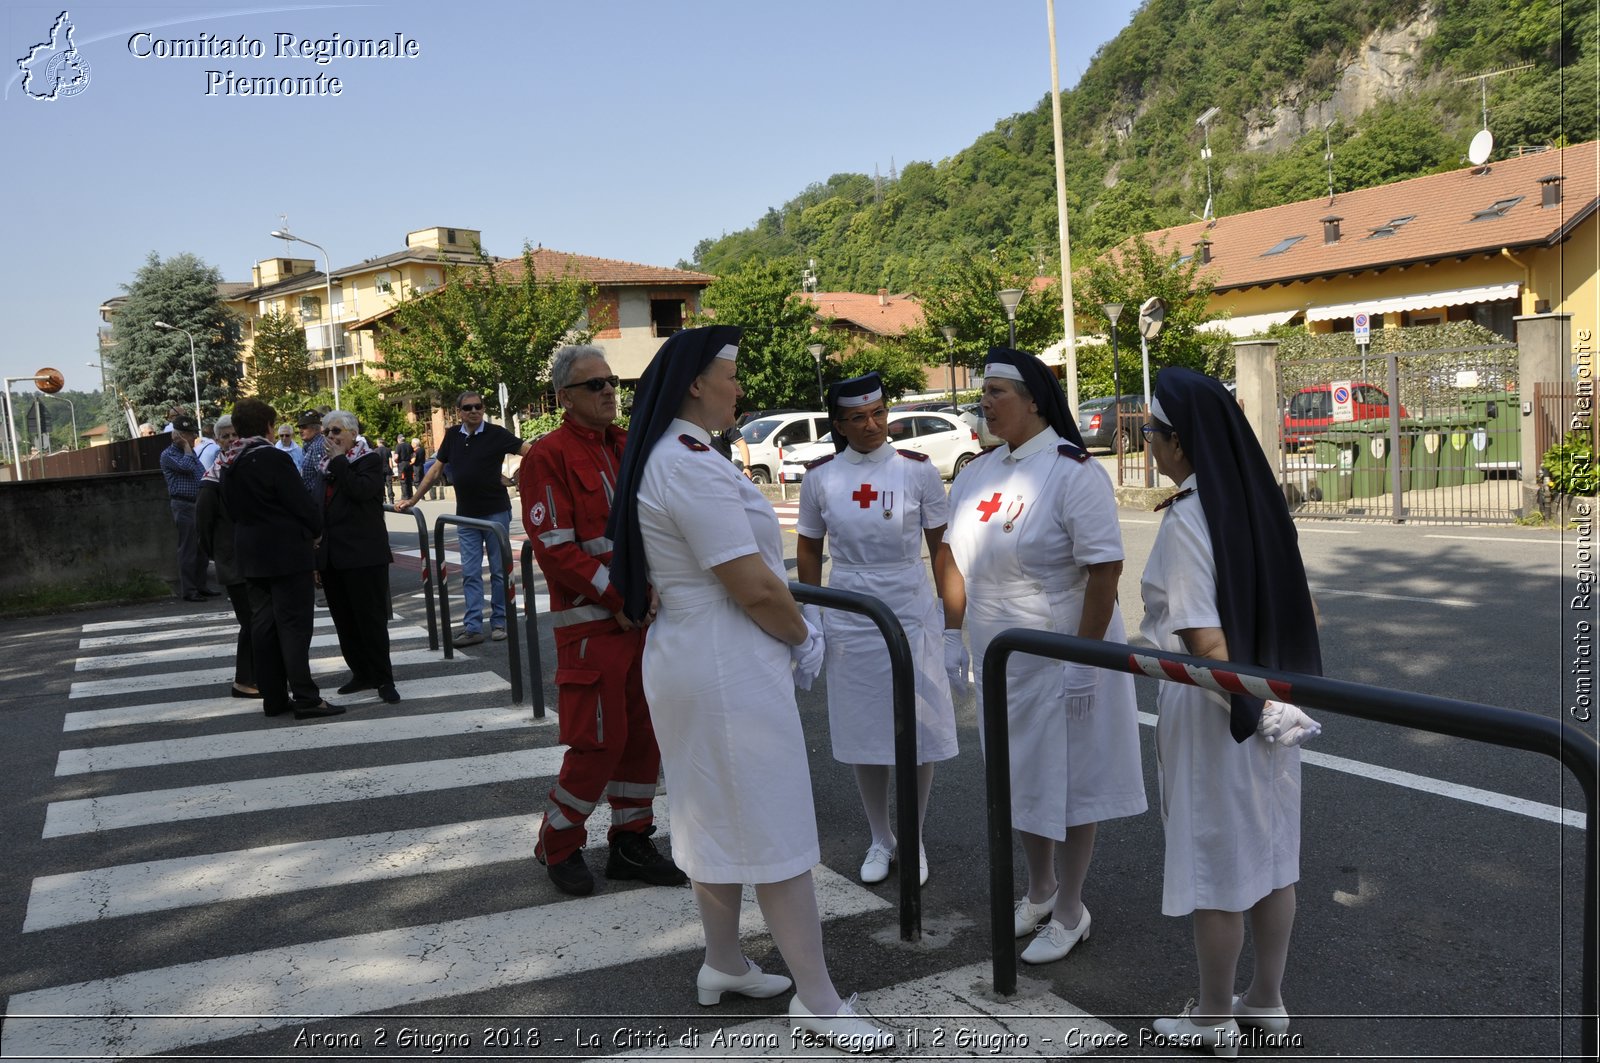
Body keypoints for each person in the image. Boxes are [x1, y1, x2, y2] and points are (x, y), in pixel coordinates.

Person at [607, 325, 893, 1052]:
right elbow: (754, 585)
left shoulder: (682, 455)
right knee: (774, 823)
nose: (741, 387)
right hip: (723, 660)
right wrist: (806, 634)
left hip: (699, 656)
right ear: (697, 383)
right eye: (732, 375)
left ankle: (724, 960)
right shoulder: (688, 463)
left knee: (713, 815)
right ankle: (820, 1000)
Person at [937, 346, 1147, 967]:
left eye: (997, 391)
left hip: (1062, 648)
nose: (985, 402)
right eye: (984, 392)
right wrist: (952, 634)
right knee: (1017, 775)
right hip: (1002, 652)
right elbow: (951, 558)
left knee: (1072, 779)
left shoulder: (1073, 472)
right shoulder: (977, 472)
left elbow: (1105, 570)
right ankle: (1039, 887)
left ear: (1034, 398)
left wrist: (1085, 659)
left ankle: (1071, 908)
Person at [1140, 368, 1323, 1058]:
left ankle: (1215, 1015)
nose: (1150, 443)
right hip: (1278, 708)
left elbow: (1203, 642)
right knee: (1273, 858)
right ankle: (1266, 996)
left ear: (1181, 443)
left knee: (1220, 866)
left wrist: (1253, 703)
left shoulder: (1190, 517)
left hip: (1221, 708)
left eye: (1154, 432)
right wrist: (1282, 699)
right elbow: (1305, 610)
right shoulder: (1258, 502)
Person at [521, 344, 685, 896]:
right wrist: (619, 596)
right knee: (597, 742)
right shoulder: (547, 456)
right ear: (564, 397)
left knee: (643, 737)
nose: (610, 391)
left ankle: (631, 842)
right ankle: (558, 842)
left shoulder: (628, 446)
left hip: (644, 624)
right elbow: (555, 549)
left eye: (613, 381)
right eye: (595, 385)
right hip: (594, 628)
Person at [795, 372, 957, 886]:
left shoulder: (917, 472)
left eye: (879, 413)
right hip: (851, 608)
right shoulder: (821, 478)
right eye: (858, 418)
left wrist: (953, 629)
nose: (872, 425)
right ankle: (880, 836)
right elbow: (807, 548)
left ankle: (913, 835)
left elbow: (942, 552)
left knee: (919, 726)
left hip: (909, 604)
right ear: (838, 424)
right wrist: (812, 615)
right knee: (865, 729)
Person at [223, 398, 343, 721]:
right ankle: (305, 697)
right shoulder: (273, 459)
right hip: (287, 553)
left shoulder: (229, 463)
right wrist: (316, 530)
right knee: (294, 627)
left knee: (262, 625)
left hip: (251, 553)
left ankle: (273, 697)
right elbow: (301, 503)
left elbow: (230, 510)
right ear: (267, 427)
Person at [397, 395, 530, 647]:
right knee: (470, 573)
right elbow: (436, 469)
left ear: (483, 409)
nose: (474, 411)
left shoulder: (496, 433)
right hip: (466, 515)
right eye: (468, 408)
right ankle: (473, 627)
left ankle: (500, 621)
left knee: (499, 571)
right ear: (459, 412)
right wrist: (413, 499)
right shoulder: (453, 435)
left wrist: (521, 475)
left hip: (495, 513)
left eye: (478, 407)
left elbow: (530, 451)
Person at [316, 410, 401, 705]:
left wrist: (340, 460)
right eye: (326, 432)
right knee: (345, 621)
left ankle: (383, 678)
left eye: (336, 431)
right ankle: (361, 672)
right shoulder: (325, 466)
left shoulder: (369, 459)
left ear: (353, 433)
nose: (331, 437)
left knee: (371, 621)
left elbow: (360, 491)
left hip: (364, 556)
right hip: (333, 557)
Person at [196, 414, 257, 699]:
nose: (232, 440)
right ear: (217, 441)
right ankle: (244, 680)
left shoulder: (239, 470)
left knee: (257, 620)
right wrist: (220, 556)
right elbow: (203, 527)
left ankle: (256, 676)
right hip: (233, 562)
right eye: (226, 437)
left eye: (235, 435)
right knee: (251, 622)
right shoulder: (212, 480)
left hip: (250, 558)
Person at [160, 414, 220, 603]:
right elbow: (186, 468)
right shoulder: (169, 454)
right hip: (183, 504)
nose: (193, 438)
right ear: (177, 435)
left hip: (197, 503)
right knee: (188, 549)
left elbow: (201, 472)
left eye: (193, 434)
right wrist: (187, 448)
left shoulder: (191, 453)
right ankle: (189, 590)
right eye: (189, 434)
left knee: (202, 548)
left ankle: (201, 585)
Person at [297, 410, 327, 498]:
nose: (300, 431)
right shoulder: (310, 444)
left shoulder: (318, 446)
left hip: (316, 497)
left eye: (304, 427)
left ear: (315, 428)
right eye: (299, 427)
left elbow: (323, 478)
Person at [373, 437, 396, 504]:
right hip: (387, 469)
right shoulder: (388, 450)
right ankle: (391, 499)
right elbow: (390, 461)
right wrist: (391, 470)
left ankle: (384, 499)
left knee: (381, 485)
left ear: (378, 443)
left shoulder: (375, 451)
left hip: (379, 470)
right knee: (389, 485)